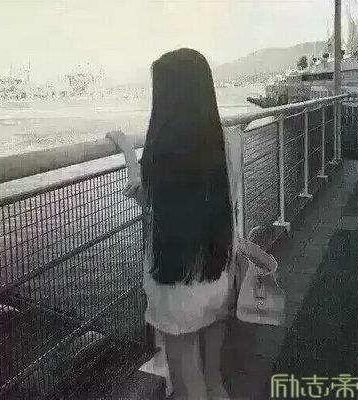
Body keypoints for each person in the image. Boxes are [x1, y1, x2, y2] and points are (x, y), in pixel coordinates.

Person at [123, 48, 242, 400]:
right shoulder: (230, 140)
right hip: (218, 269)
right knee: (212, 381)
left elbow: (148, 202)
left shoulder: (163, 150)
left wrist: (127, 150)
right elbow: (230, 197)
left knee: (189, 385)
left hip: (178, 282)